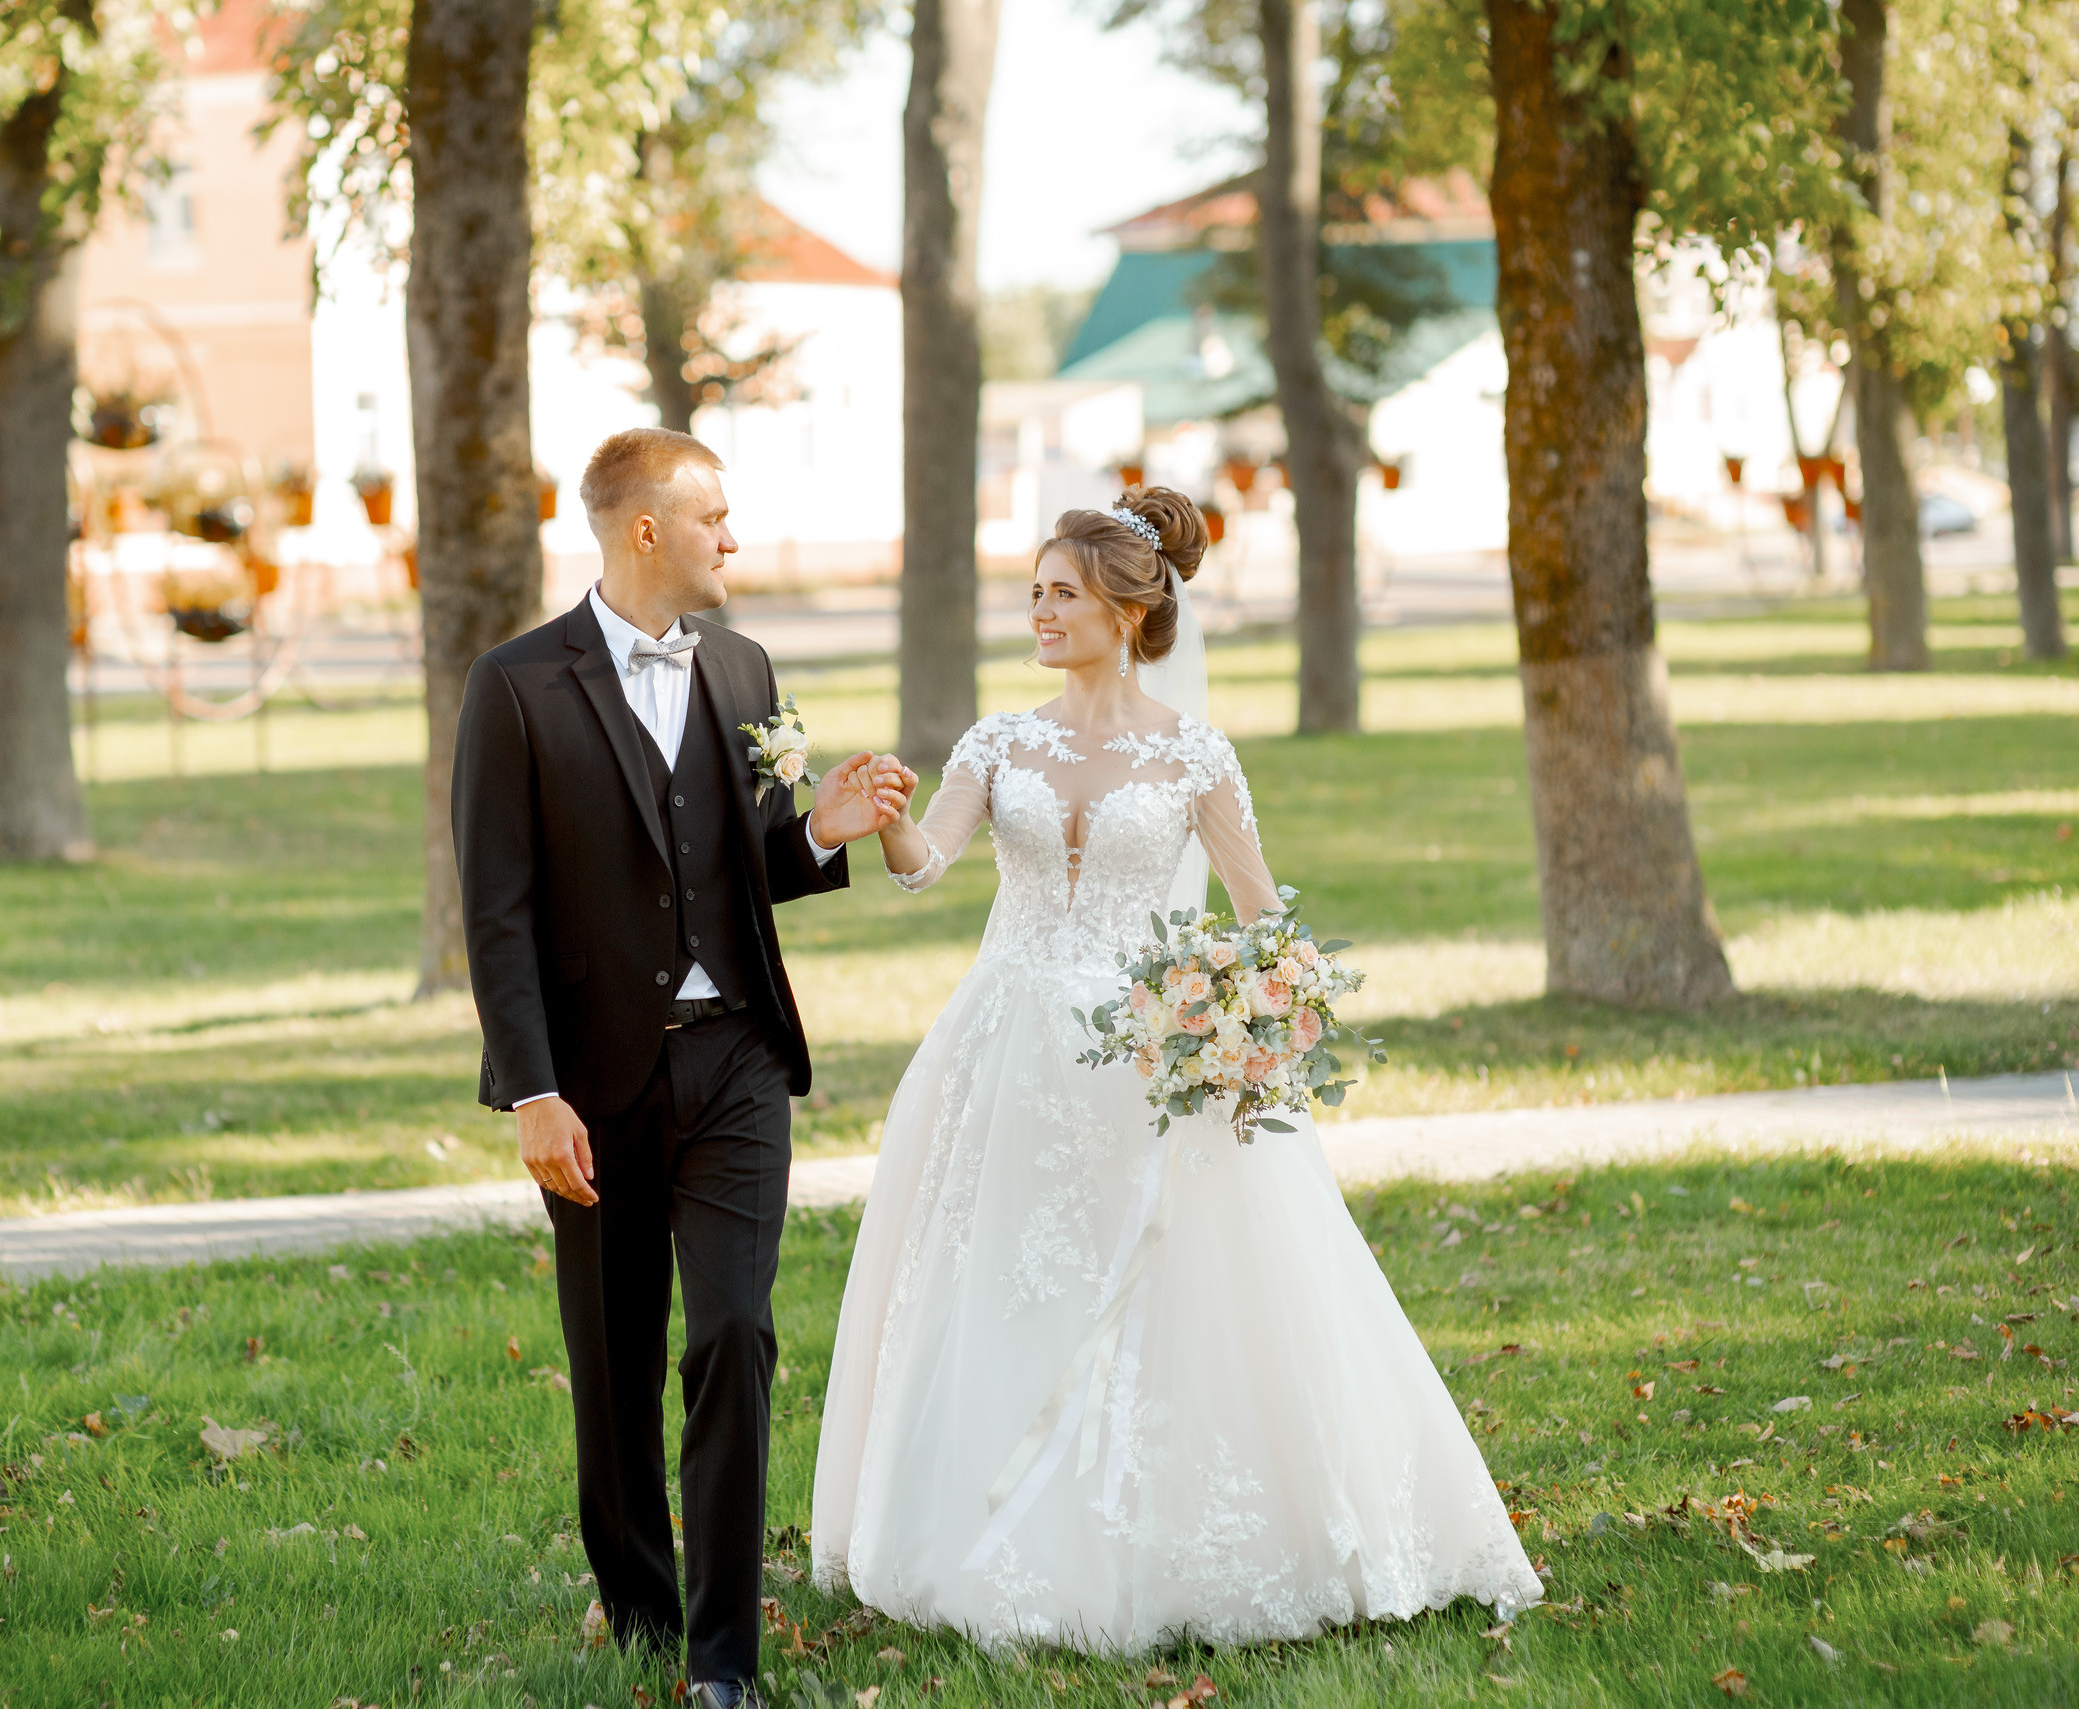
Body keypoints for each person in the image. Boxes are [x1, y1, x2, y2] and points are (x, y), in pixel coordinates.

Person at [809, 488, 1541, 1649]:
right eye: (1034, 591)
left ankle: (1162, 1531)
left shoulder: (1193, 753)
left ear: (1126, 610)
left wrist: (1257, 1017)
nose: (1039, 610)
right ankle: (989, 1525)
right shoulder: (996, 742)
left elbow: (1259, 909)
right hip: (1007, 1051)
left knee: (1161, 1287)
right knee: (1012, 1276)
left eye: (1061, 593)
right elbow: (925, 863)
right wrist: (882, 818)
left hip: (1148, 1056)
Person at [453, 427, 909, 1708]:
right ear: (646, 528)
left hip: (738, 1060)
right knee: (613, 1362)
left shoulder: (746, 666)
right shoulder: (514, 686)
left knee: (734, 1331)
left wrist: (818, 833)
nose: (733, 539)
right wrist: (533, 1090)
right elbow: (497, 910)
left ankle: (722, 1660)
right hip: (591, 1083)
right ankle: (643, 1618)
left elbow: (744, 866)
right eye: (716, 517)